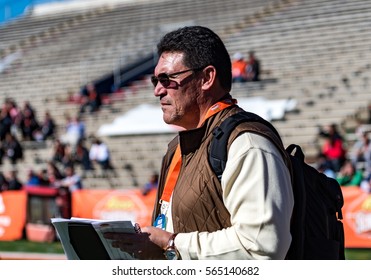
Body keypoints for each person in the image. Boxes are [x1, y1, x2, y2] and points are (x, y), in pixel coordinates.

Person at [104, 26, 294, 260]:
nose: (157, 91)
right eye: (155, 80)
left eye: (167, 79)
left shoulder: (247, 143)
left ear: (206, 78)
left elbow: (262, 248)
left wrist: (172, 244)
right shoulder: (179, 145)